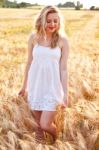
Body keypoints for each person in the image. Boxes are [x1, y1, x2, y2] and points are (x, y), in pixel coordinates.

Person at [18, 5, 69, 143]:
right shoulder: (33, 38)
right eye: (49, 21)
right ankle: (40, 146)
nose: (52, 24)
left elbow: (63, 69)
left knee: (45, 124)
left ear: (59, 22)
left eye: (55, 21)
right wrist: (24, 87)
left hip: (52, 87)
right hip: (36, 86)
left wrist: (66, 93)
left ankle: (58, 141)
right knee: (38, 128)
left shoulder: (62, 40)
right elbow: (29, 63)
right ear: (41, 20)